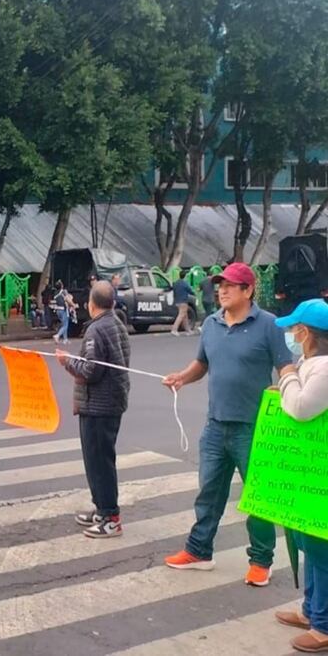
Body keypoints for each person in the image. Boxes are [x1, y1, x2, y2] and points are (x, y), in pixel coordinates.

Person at [162, 262, 294, 586]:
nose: (221, 290)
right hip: (215, 425)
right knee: (208, 492)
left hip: (253, 427)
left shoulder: (269, 325)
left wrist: (289, 390)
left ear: (248, 290)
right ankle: (199, 551)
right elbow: (202, 364)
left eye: (230, 286)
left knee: (256, 498)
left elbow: (286, 368)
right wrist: (182, 377)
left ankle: (261, 560)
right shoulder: (210, 324)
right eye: (219, 285)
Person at [272, 299, 328, 653]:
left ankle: (323, 626)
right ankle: (311, 610)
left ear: (305, 333)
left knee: (321, 550)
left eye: (294, 329)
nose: (292, 335)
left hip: (321, 475)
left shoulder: (323, 368)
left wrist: (287, 375)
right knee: (309, 543)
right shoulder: (313, 364)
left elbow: (303, 408)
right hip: (310, 472)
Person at [56, 282, 131, 538]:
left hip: (99, 405)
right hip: (112, 402)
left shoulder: (97, 330)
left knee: (99, 462)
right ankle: (101, 508)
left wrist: (67, 361)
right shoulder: (117, 324)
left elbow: (90, 370)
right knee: (99, 460)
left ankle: (110, 517)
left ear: (91, 303)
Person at [52, 280, 72, 344]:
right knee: (65, 325)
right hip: (63, 310)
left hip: (58, 310)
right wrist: (73, 305)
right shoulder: (63, 292)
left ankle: (65, 339)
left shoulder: (55, 292)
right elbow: (68, 299)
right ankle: (57, 335)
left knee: (64, 324)